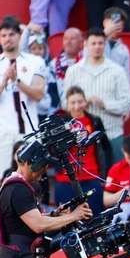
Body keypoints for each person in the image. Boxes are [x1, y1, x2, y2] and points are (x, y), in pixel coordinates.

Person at [0, 18, 47, 189]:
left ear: (20, 36)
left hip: (29, 130)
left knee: (32, 180)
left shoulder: (36, 62)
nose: (7, 38)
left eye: (11, 34)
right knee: (0, 180)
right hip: (2, 130)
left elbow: (39, 94)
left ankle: (34, 215)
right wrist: (4, 81)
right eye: (3, 35)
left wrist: (17, 80)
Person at [64, 29, 130, 163]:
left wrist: (105, 105)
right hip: (82, 137)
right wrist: (79, 105)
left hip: (112, 133)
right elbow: (64, 103)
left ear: (105, 45)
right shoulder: (73, 71)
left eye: (100, 43)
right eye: (93, 43)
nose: (97, 47)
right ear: (85, 45)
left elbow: (127, 104)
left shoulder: (117, 71)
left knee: (114, 179)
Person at [53, 85, 111, 215]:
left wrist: (105, 173)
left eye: (80, 101)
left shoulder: (95, 121)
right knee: (67, 222)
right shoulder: (60, 124)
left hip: (91, 176)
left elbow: (106, 147)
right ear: (67, 105)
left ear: (85, 102)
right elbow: (54, 151)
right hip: (66, 180)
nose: (76, 106)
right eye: (72, 102)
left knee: (95, 218)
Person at [98, 7, 130, 75]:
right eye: (114, 21)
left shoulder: (124, 49)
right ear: (104, 23)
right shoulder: (92, 43)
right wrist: (104, 34)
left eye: (120, 23)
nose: (117, 25)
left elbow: (126, 75)